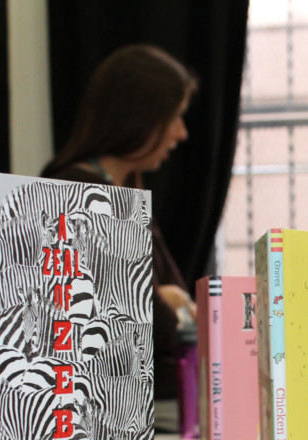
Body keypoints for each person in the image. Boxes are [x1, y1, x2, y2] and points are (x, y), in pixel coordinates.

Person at [42, 44, 197, 400]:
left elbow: (167, 306)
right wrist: (170, 305)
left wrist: (172, 304)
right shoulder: (79, 194)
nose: (181, 133)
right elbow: (149, 328)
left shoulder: (122, 191)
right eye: (173, 117)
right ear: (139, 116)